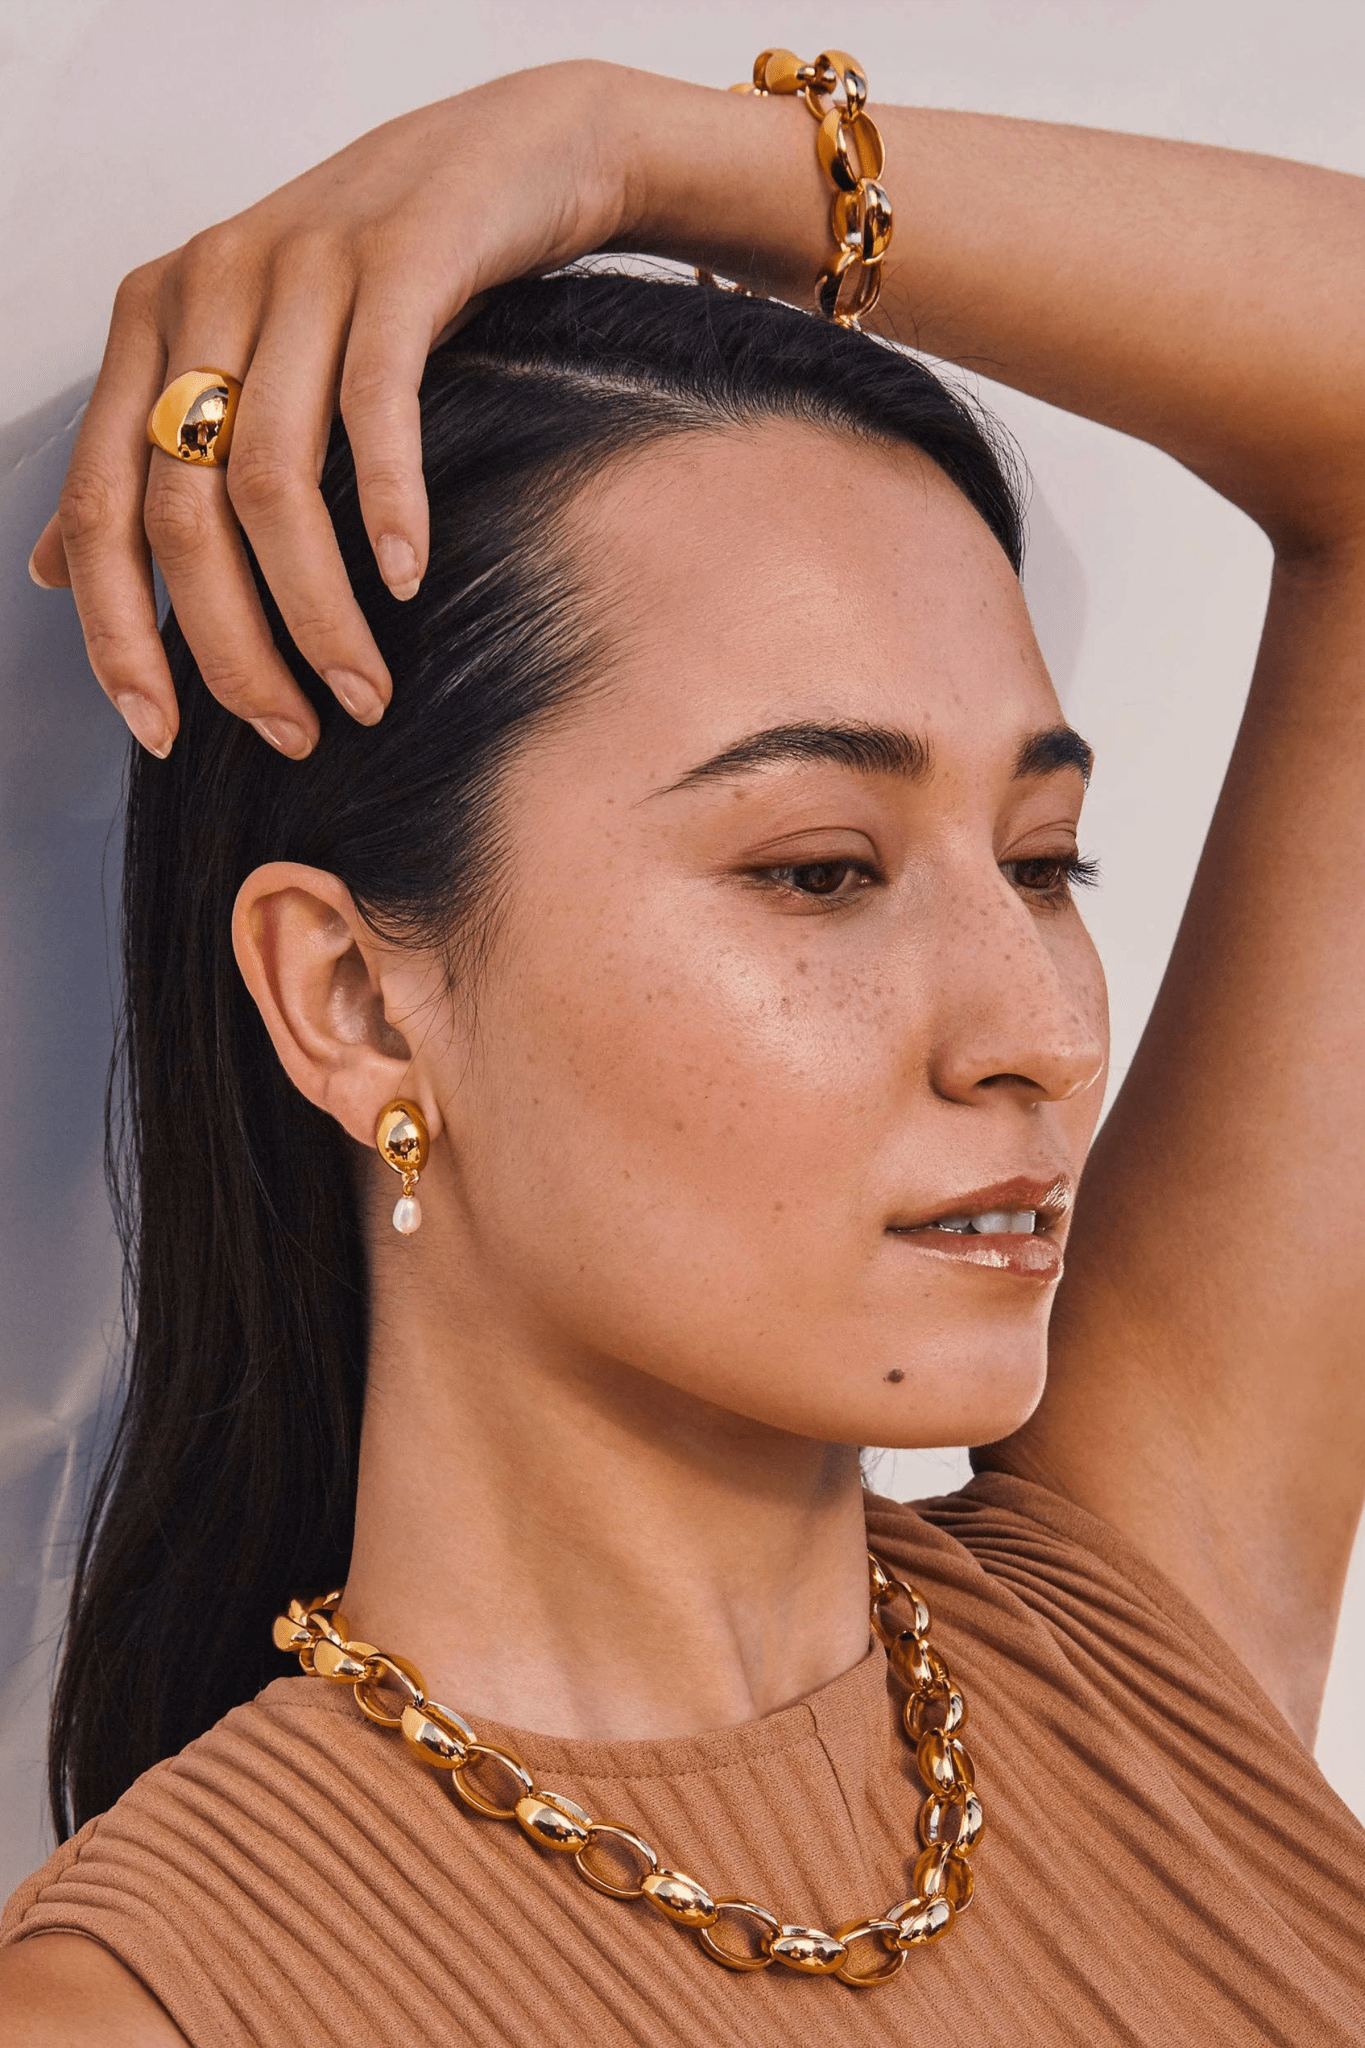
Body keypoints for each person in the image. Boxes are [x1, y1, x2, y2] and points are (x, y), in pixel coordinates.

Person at [3, 48, 1364, 2047]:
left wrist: (645, 149)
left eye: (1044, 856)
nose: (1041, 1032)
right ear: (355, 999)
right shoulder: (166, 2000)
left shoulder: (1134, 1654)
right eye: (820, 871)